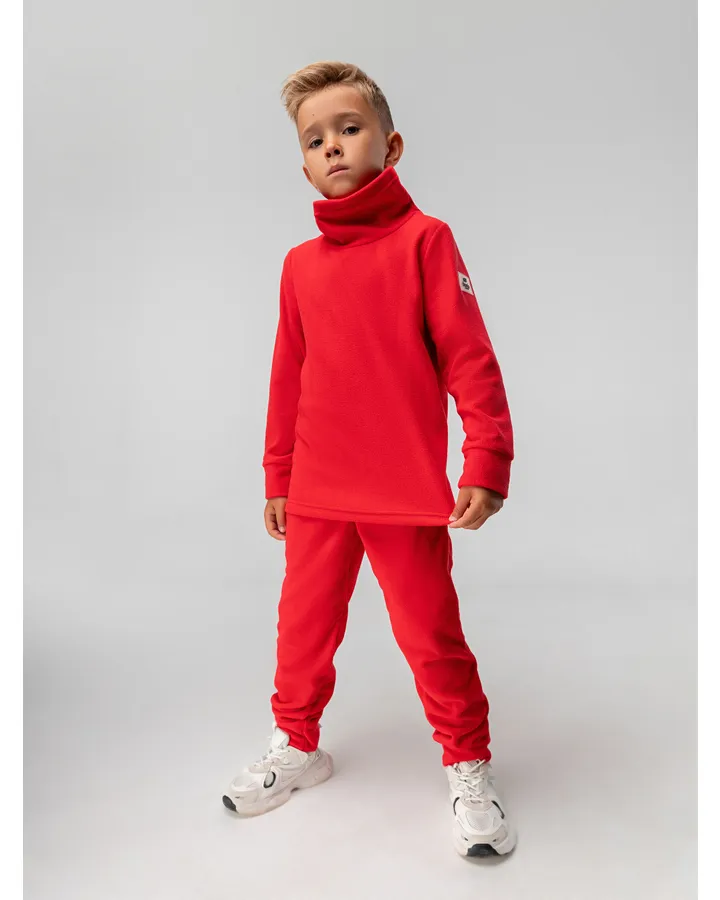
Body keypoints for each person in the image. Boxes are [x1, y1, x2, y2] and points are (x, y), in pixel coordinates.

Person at [222, 60, 517, 859]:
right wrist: (278, 476)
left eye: (349, 129)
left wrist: (486, 459)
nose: (332, 146)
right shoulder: (299, 266)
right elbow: (288, 378)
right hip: (318, 490)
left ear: (391, 145)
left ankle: (467, 762)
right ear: (304, 164)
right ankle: (297, 743)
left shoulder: (427, 241)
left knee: (430, 634)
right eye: (314, 139)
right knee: (302, 629)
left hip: (404, 493)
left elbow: (470, 359)